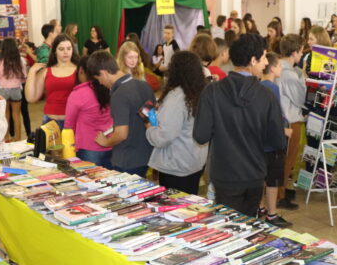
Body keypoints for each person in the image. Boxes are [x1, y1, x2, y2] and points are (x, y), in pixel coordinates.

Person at [193, 33, 285, 217]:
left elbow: (200, 135)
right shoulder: (266, 96)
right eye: (264, 57)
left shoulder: (212, 91)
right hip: (255, 174)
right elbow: (278, 141)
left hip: (224, 175)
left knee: (226, 231)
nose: (266, 63)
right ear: (252, 60)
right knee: (248, 230)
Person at [145, 51, 208, 195]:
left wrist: (149, 128)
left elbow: (163, 136)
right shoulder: (201, 92)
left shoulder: (177, 97)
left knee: (174, 209)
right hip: (195, 161)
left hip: (176, 165)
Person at [92, 51, 154, 177]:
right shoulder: (144, 85)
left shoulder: (119, 95)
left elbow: (121, 134)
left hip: (127, 160)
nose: (100, 83)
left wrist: (105, 142)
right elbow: (151, 120)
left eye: (99, 79)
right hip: (147, 155)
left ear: (104, 73)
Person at [259, 52, 291, 227]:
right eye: (279, 66)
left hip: (261, 142)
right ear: (272, 68)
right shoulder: (272, 88)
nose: (281, 69)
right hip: (272, 143)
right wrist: (283, 131)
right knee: (272, 180)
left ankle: (261, 208)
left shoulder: (259, 85)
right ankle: (272, 214)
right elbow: (273, 117)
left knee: (262, 178)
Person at [64, 58, 113, 169]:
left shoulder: (78, 94)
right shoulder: (109, 88)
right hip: (111, 144)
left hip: (88, 148)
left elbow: (68, 126)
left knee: (90, 183)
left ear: (81, 70)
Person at [277, 33, 306, 210]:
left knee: (283, 160)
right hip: (290, 120)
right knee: (287, 160)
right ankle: (280, 196)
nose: (302, 55)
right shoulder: (290, 74)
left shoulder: (279, 67)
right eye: (301, 52)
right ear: (294, 52)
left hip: (282, 119)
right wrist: (302, 78)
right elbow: (300, 99)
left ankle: (282, 190)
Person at [25, 34, 78, 129]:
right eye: (61, 49)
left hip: (73, 122)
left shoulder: (79, 70)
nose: (66, 52)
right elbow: (31, 98)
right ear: (55, 51)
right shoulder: (46, 71)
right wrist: (32, 72)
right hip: (50, 123)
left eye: (69, 48)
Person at [0, 38, 27, 142]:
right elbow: (24, 76)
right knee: (16, 115)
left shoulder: (0, 61)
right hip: (16, 89)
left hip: (3, 90)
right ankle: (17, 138)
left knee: (5, 116)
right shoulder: (20, 60)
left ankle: (6, 138)